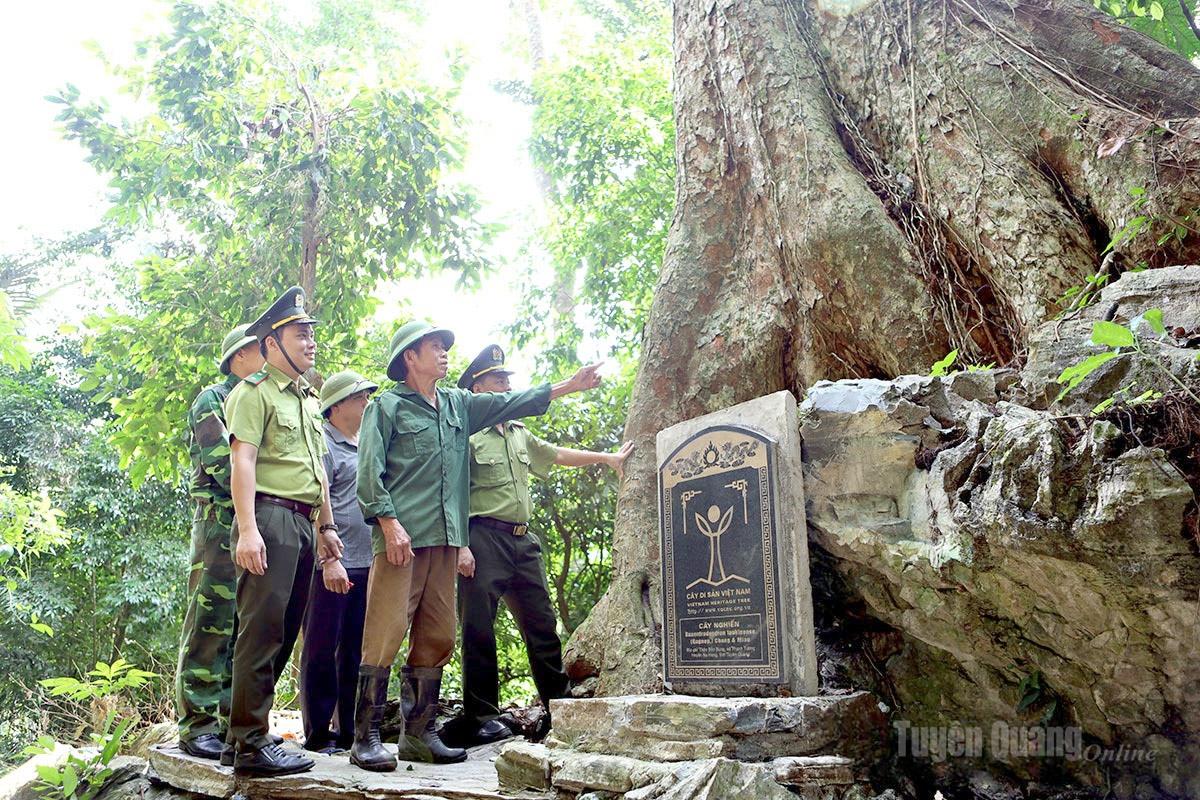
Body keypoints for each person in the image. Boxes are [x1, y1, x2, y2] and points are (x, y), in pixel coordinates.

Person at [349, 321, 603, 772]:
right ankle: (365, 736)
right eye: (435, 347)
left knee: (440, 636)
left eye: (445, 346)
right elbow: (368, 474)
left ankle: (419, 734)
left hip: (447, 539)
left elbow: (510, 401)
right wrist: (388, 524)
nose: (445, 353)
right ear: (411, 357)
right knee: (384, 634)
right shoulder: (385, 408)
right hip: (402, 542)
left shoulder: (457, 405)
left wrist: (570, 385)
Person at [448, 345, 631, 747]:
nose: (508, 385)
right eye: (500, 380)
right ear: (477, 388)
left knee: (542, 624)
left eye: (508, 379)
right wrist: (460, 545)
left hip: (521, 540)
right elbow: (453, 491)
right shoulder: (467, 433)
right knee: (478, 627)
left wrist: (606, 458)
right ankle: (481, 715)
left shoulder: (517, 433)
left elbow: (556, 455)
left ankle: (558, 707)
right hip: (482, 537)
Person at [224, 286, 343, 777]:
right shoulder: (252, 392)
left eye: (311, 333)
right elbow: (242, 461)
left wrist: (327, 527)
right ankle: (249, 743)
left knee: (284, 629)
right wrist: (248, 529)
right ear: (271, 342)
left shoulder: (307, 400)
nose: (310, 342)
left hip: (300, 520)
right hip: (269, 518)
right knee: (261, 631)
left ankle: (249, 736)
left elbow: (316, 471)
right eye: (299, 334)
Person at [175, 324, 263, 759]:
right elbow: (220, 464)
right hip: (219, 526)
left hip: (253, 525)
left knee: (242, 626)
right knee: (210, 623)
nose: (266, 354)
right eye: (258, 348)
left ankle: (233, 722)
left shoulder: (262, 398)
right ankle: (197, 725)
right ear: (239, 357)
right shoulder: (214, 399)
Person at [299, 370, 378, 754]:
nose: (366, 403)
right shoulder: (323, 445)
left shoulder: (366, 446)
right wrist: (328, 559)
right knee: (321, 647)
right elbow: (316, 502)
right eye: (359, 397)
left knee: (355, 652)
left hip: (367, 564)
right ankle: (318, 734)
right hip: (331, 564)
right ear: (337, 406)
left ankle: (349, 732)